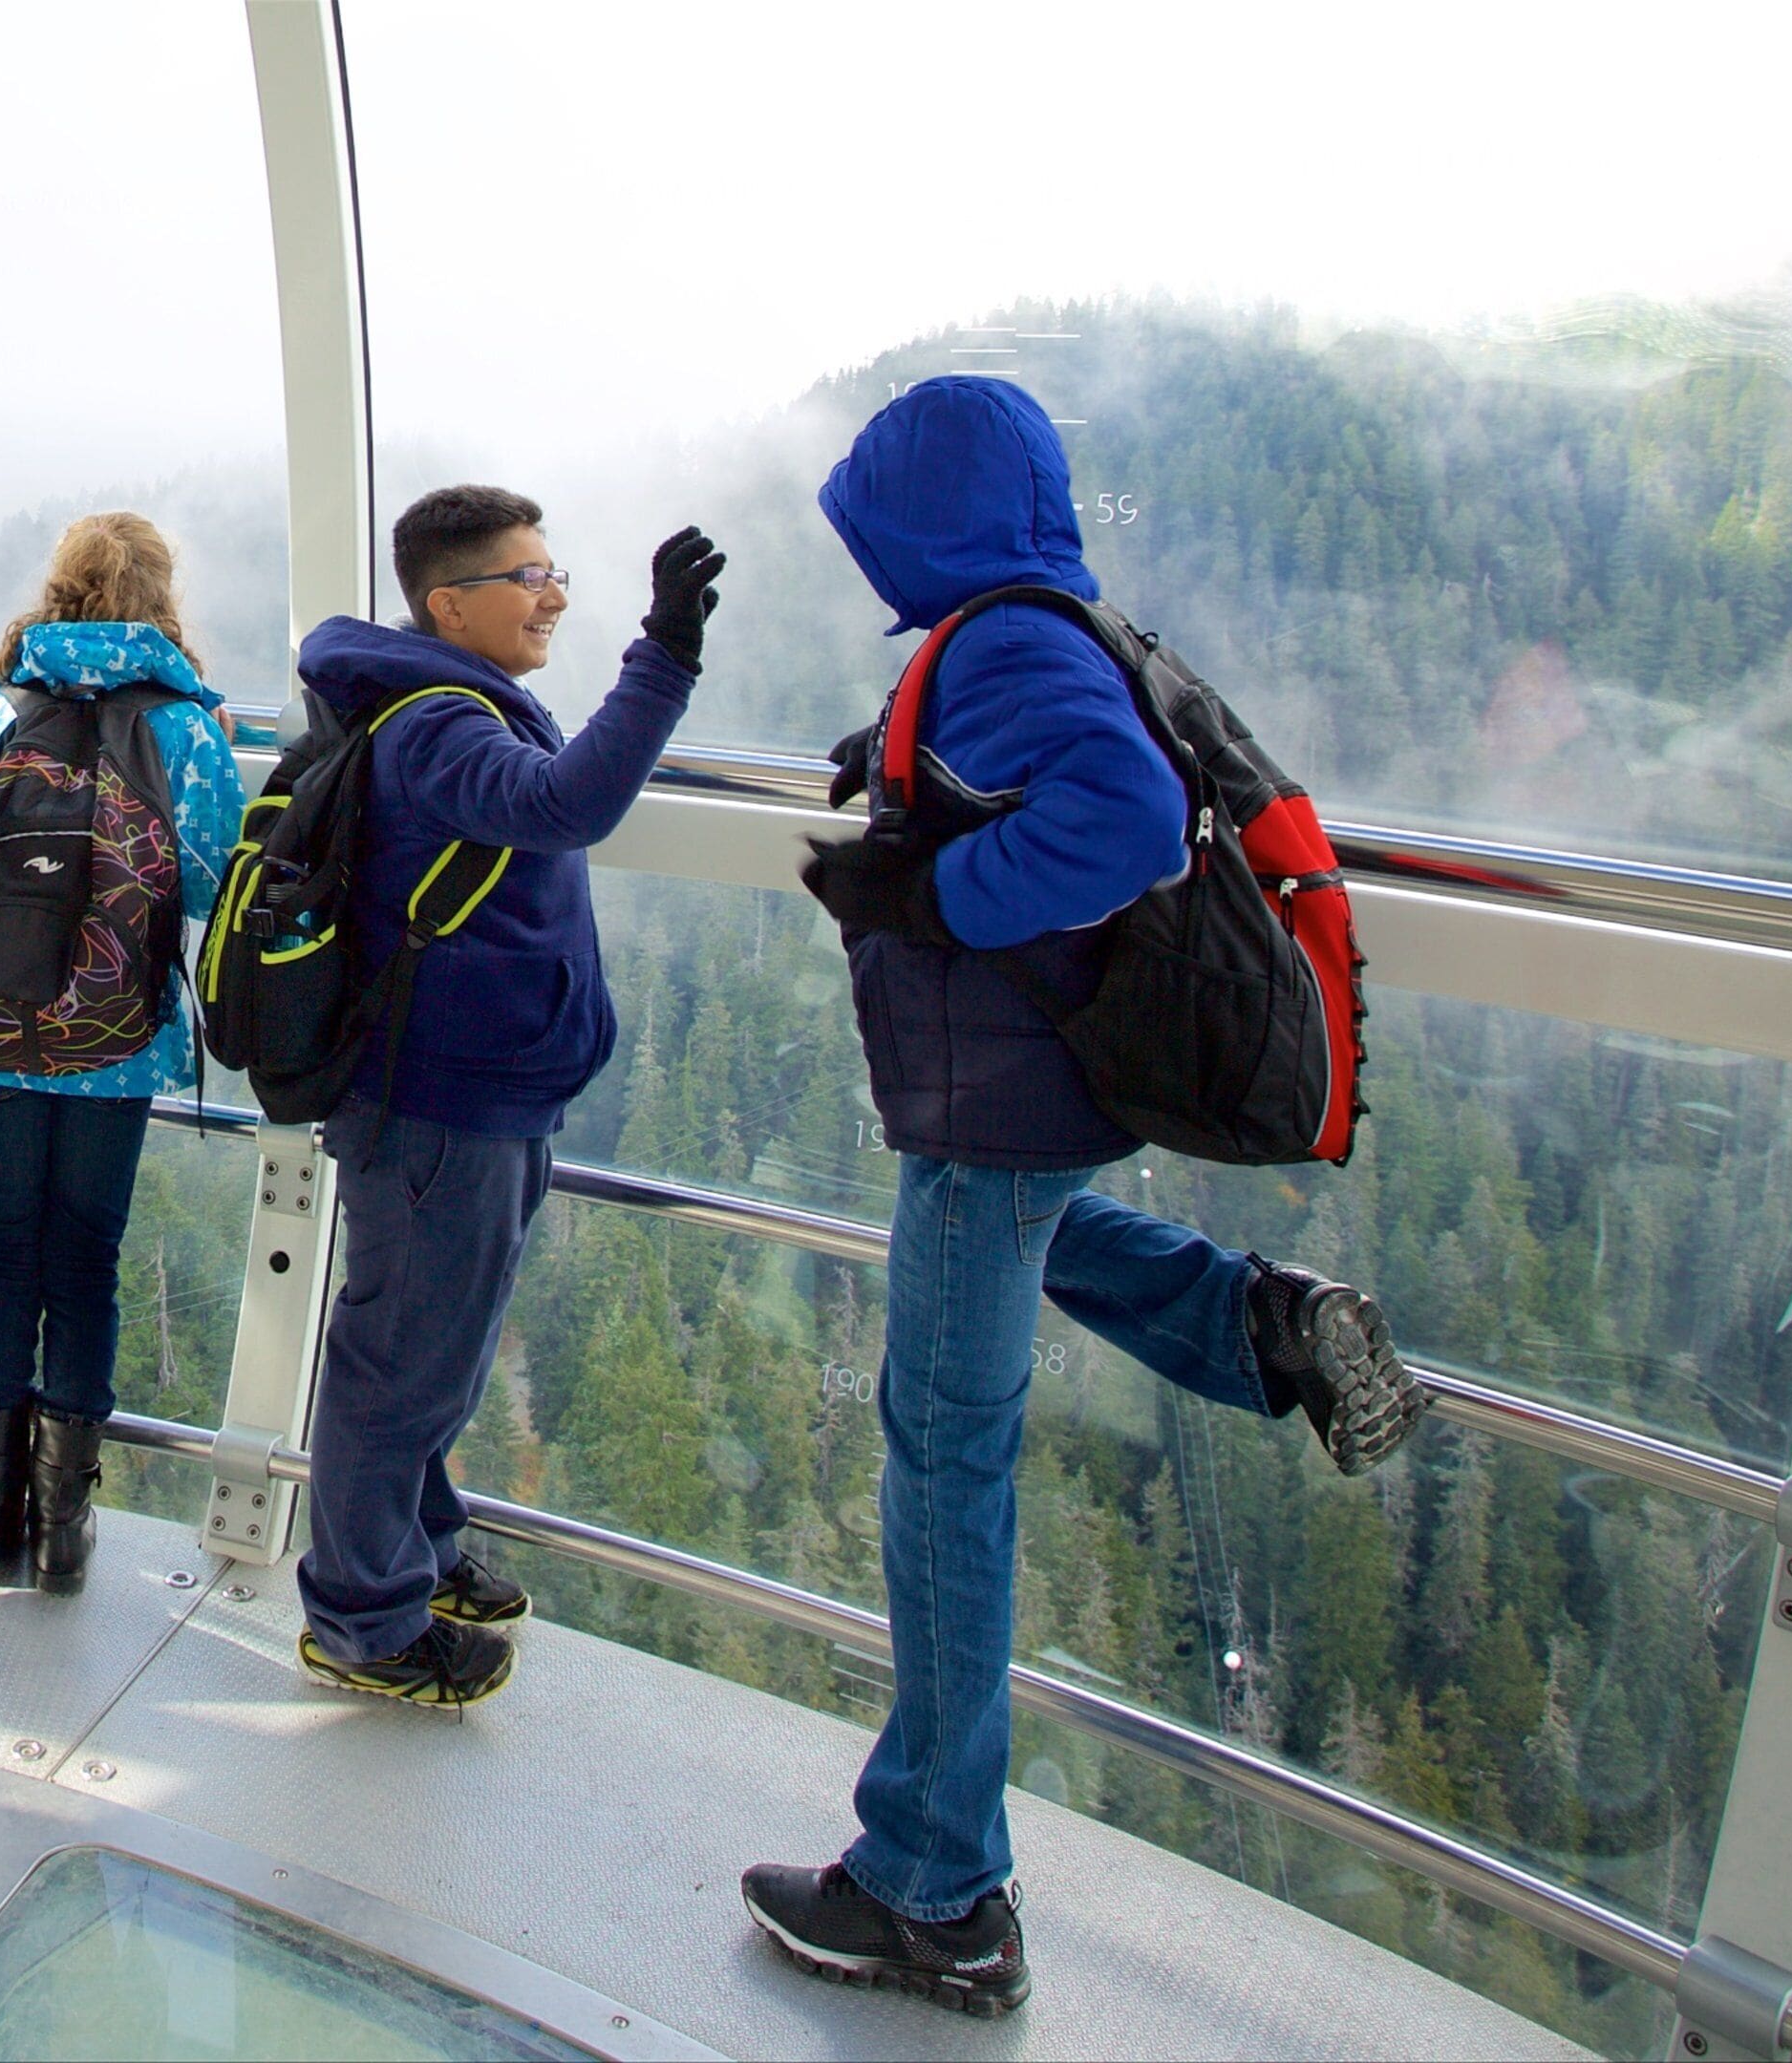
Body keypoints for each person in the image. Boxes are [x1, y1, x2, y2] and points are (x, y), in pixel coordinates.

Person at [743, 374, 1425, 2015]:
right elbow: (1054, 777)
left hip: (1001, 1107)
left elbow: (1118, 821)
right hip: (1039, 1112)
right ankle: (1260, 1326)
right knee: (1027, 1235)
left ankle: (935, 1889)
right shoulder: (1047, 623)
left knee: (944, 1473)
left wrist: (936, 892)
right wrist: (902, 776)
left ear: (923, 517)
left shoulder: (1005, 647)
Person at [286, 486, 723, 1706]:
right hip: (440, 1103)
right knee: (401, 1363)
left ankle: (416, 1552)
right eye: (529, 578)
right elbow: (566, 802)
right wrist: (664, 655)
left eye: (553, 571)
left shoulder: (450, 700)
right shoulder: (436, 722)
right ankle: (363, 1621)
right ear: (449, 605)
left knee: (435, 1350)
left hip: (475, 1091)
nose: (555, 596)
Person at [0, 513, 244, 1592]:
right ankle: (62, 1530)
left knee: (2, 1249)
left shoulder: (0, 712)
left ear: (59, 589)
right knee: (87, 1259)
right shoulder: (184, 729)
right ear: (161, 598)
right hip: (118, 1037)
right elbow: (212, 884)